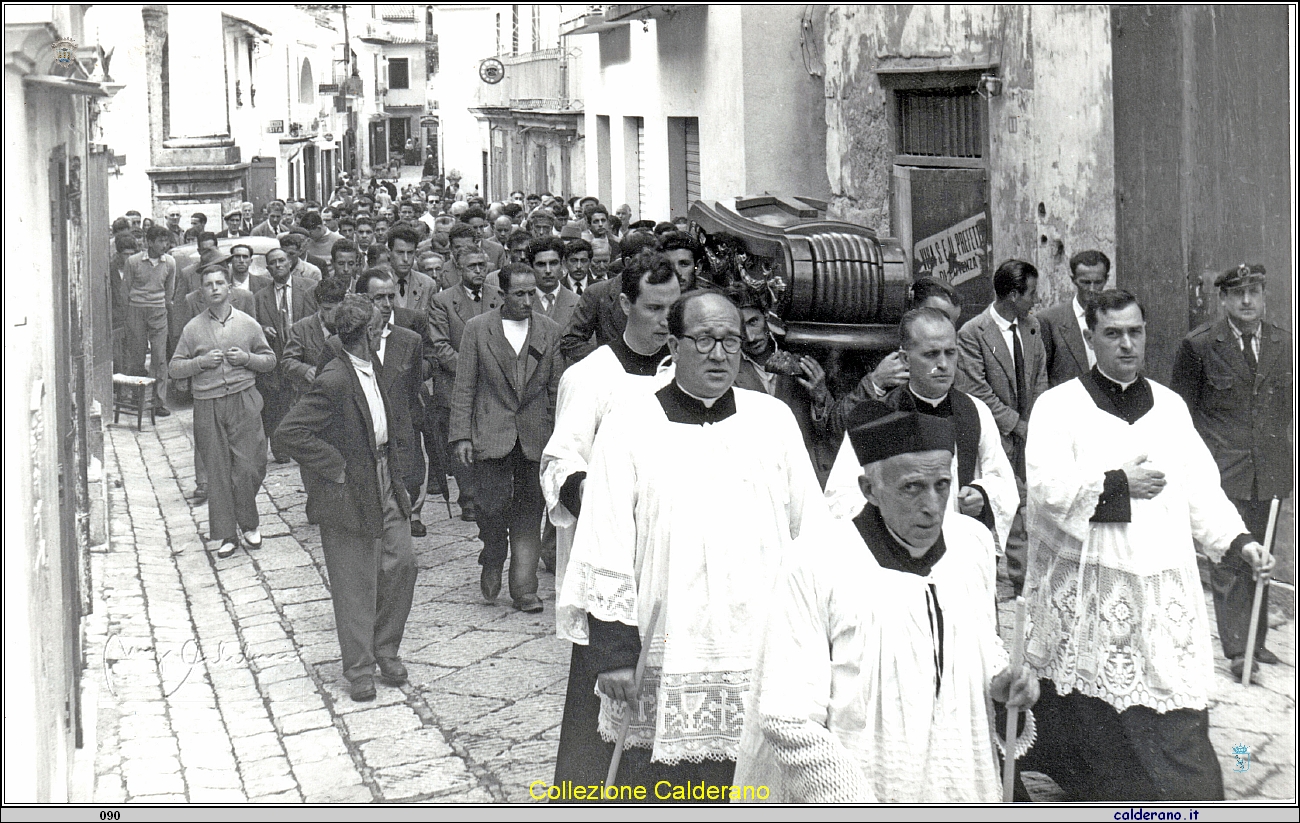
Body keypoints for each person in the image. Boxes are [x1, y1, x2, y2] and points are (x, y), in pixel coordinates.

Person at [553, 290, 828, 795]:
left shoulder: (772, 420)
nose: (719, 354)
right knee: (663, 785)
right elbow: (604, 540)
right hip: (668, 641)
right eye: (703, 340)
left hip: (758, 641)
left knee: (754, 781)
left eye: (730, 341)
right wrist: (614, 651)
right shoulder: (629, 425)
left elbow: (811, 529)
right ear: (673, 347)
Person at [1017, 289, 1274, 801]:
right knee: (1092, 708)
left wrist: (1238, 540)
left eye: (1135, 332)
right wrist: (1118, 484)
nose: (1127, 344)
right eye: (1112, 334)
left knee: (1172, 707)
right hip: (1094, 580)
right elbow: (1045, 491)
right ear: (1090, 338)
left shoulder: (1171, 407)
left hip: (1161, 581)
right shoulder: (1058, 406)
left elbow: (1201, 486)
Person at [735, 407, 1039, 801]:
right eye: (912, 487)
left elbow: (974, 644)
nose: (933, 505)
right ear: (868, 489)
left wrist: (1002, 682)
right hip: (866, 785)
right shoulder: (815, 561)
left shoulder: (971, 545)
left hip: (962, 781)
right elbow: (787, 716)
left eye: (942, 484)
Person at [274, 295, 418, 703]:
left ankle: (386, 649)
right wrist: (335, 466)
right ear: (368, 334)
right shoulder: (335, 379)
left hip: (385, 478)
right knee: (355, 580)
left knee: (402, 563)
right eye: (378, 324)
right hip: (351, 488)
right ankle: (359, 669)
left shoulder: (374, 367)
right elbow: (289, 433)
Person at [1171, 264, 1291, 675]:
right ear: (1223, 300)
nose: (1247, 301)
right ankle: (1238, 649)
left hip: (1269, 471)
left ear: (1264, 296)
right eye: (1238, 294)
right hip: (1222, 470)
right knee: (1228, 560)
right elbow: (1181, 412)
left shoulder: (1283, 342)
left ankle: (1256, 642)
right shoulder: (1200, 346)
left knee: (1261, 556)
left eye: (1254, 292)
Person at [824, 308, 1019, 554]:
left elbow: (1002, 482)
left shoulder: (975, 411)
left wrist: (983, 495)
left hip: (960, 554)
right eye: (931, 354)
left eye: (950, 353)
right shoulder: (877, 416)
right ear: (905, 359)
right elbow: (841, 497)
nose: (943, 364)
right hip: (895, 556)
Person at [450, 263, 562, 612]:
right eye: (520, 294)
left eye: (533, 293)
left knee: (530, 510)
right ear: (502, 294)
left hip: (534, 436)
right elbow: (465, 384)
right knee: (490, 507)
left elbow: (557, 388)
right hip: (491, 432)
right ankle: (493, 554)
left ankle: (524, 588)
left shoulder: (549, 330)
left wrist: (559, 437)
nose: (529, 300)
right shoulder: (478, 329)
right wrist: (462, 436)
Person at [170, 266, 276, 558]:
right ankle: (228, 533)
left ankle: (248, 520)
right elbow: (174, 367)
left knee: (250, 467)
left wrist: (247, 358)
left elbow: (270, 360)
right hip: (208, 404)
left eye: (220, 283)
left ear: (230, 288)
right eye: (208, 284)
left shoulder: (248, 323)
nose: (214, 288)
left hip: (244, 401)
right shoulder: (192, 328)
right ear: (201, 291)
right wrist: (200, 363)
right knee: (217, 471)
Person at [956, 259, 1047, 594]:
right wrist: (1015, 425)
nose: (1036, 300)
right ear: (1012, 295)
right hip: (995, 437)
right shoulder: (972, 333)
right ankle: (991, 580)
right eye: (1032, 293)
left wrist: (1035, 422)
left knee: (1024, 505)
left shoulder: (1032, 326)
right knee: (996, 505)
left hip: (1026, 435)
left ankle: (1022, 581)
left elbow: (1039, 377)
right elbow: (976, 390)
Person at [730, 288, 836, 487]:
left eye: (754, 322)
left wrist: (820, 396)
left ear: (767, 317)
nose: (751, 337)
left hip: (808, 476)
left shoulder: (802, 355)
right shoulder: (729, 370)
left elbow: (832, 428)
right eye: (740, 328)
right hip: (758, 481)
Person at [428, 247, 502, 521]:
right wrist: (471, 369)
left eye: (482, 265)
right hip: (457, 383)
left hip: (494, 383)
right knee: (461, 437)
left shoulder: (498, 296)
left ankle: (487, 492)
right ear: (459, 269)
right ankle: (468, 496)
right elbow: (440, 345)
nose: (479, 271)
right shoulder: (442, 301)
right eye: (472, 266)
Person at [254, 248, 319, 463]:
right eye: (273, 262)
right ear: (268, 269)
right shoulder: (261, 296)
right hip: (277, 353)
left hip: (303, 351)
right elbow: (255, 324)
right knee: (277, 400)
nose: (278, 265)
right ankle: (280, 446)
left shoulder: (308, 288)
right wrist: (263, 329)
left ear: (290, 263)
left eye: (282, 260)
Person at [122, 225, 178, 416]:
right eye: (160, 241)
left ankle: (158, 402)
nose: (164, 245)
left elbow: (169, 292)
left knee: (159, 357)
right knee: (136, 356)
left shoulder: (170, 263)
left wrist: (163, 308)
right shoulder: (133, 261)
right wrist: (129, 314)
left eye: (166, 241)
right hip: (136, 310)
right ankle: (137, 396)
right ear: (149, 242)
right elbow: (125, 290)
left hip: (158, 311)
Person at [1038, 250, 1110, 387]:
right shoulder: (1049, 320)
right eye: (1085, 282)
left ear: (1106, 279)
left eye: (1098, 282)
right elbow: (1040, 378)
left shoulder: (1116, 317)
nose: (1092, 289)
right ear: (1073, 280)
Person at [282, 278, 348, 394]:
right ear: (318, 305)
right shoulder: (301, 328)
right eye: (327, 309)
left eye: (338, 310)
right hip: (312, 394)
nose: (333, 315)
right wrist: (305, 370)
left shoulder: (350, 327)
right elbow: (287, 361)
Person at [528, 237, 580, 334]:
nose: (548, 271)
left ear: (562, 264)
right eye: (541, 264)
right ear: (531, 267)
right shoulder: (523, 302)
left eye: (553, 263)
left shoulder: (577, 302)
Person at [386, 226, 436, 315]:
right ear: (389, 253)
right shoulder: (377, 281)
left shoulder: (427, 284)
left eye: (410, 253)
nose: (405, 259)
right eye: (400, 252)